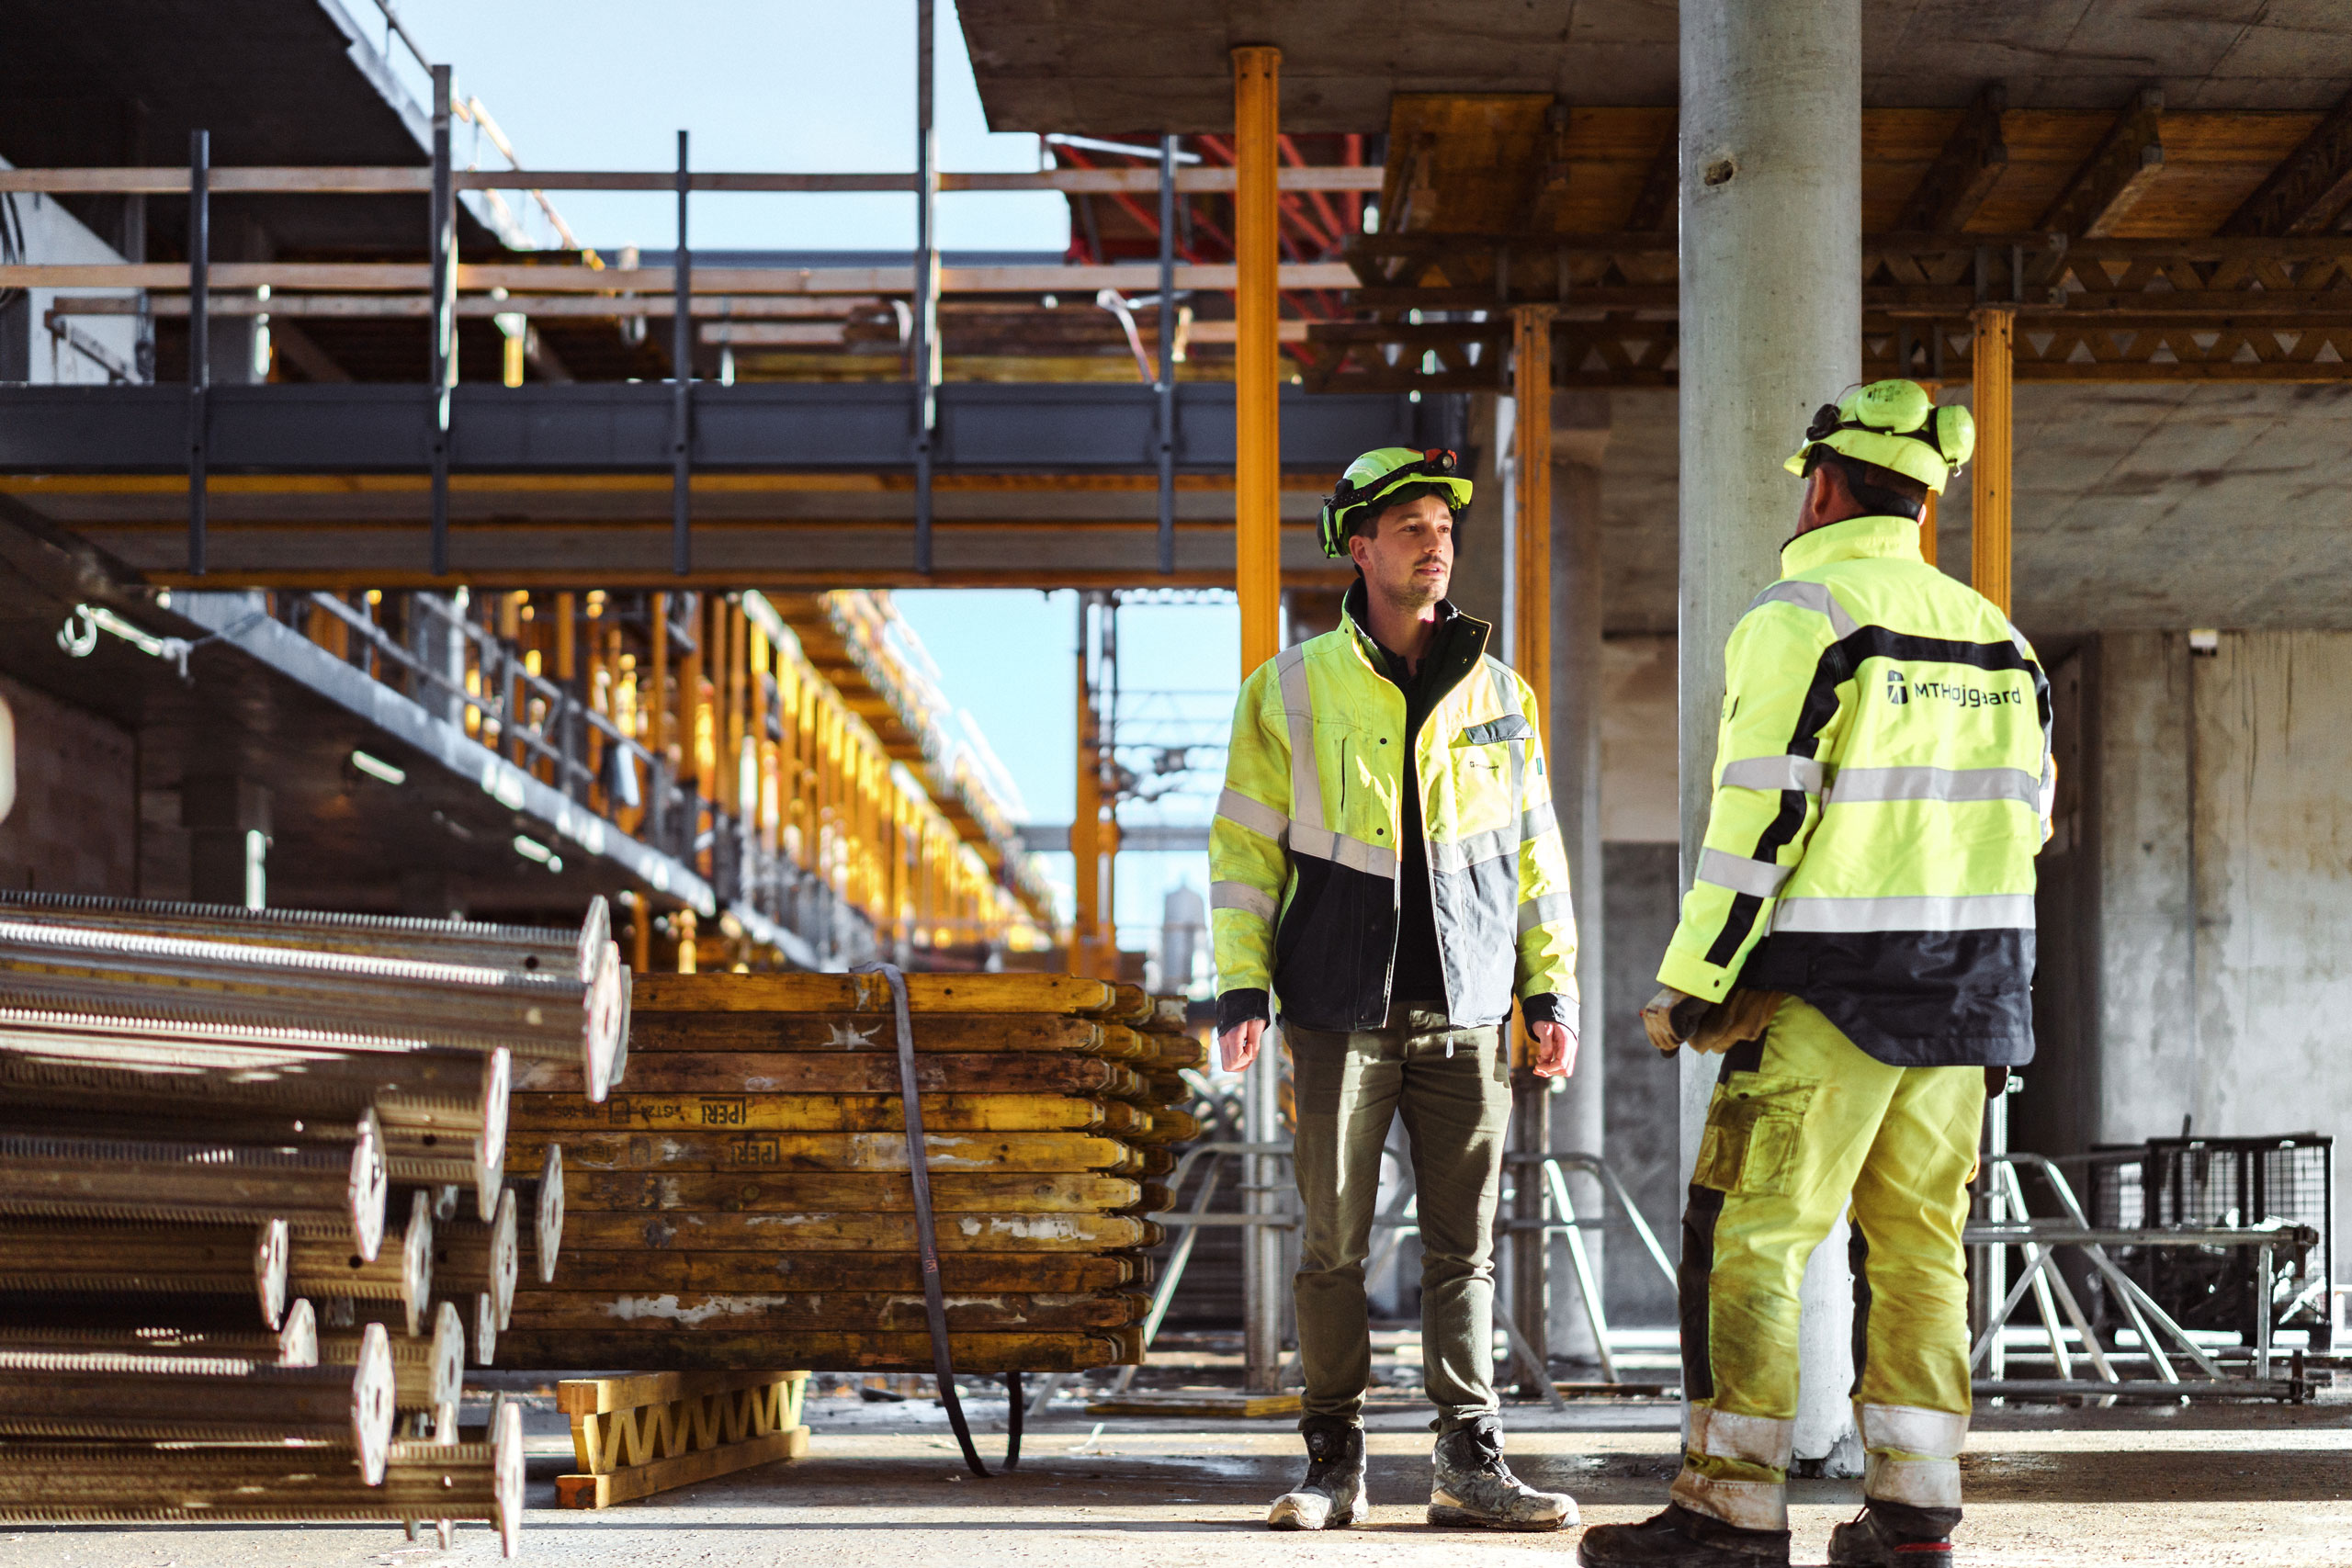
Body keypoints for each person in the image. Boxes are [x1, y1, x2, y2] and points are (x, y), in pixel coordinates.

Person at [1577, 383, 2049, 1568]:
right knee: (1918, 1247)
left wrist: (1693, 977)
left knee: (1750, 1234)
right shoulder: (2001, 640)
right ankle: (1912, 1514)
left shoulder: (1805, 612)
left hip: (1829, 990)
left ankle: (1728, 1508)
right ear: (1927, 496)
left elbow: (1760, 818)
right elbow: (2028, 826)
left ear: (1823, 484)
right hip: (1972, 999)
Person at [1208, 446, 1582, 1533]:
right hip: (1338, 1010)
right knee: (1332, 1245)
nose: (1436, 544)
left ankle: (1471, 1462)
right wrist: (1240, 989)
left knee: (1464, 1250)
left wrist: (1547, 994)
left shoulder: (1498, 693)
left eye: (1444, 528)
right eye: (1412, 528)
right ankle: (1333, 1463)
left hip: (1468, 1010)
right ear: (1359, 547)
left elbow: (1533, 854)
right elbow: (1242, 853)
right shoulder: (1287, 685)